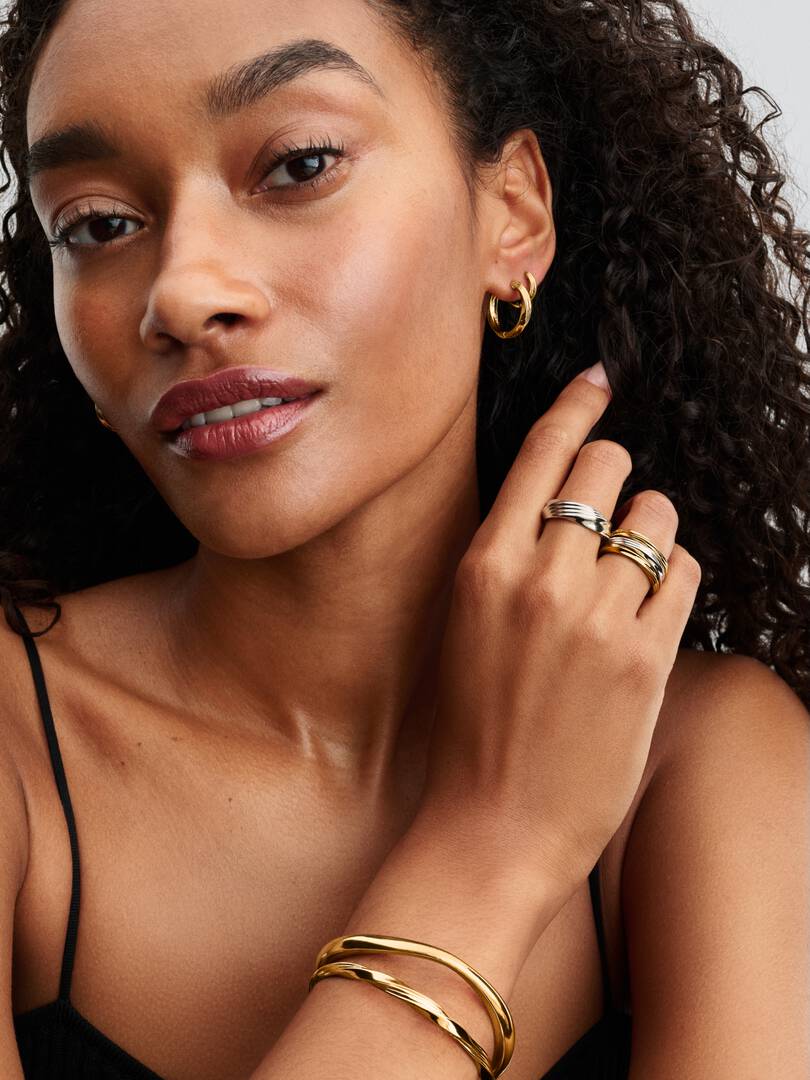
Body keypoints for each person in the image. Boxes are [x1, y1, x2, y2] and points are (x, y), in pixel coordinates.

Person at [0, 0, 807, 1077]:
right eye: (98, 225)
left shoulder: (703, 761)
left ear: (512, 213)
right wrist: (498, 843)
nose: (182, 294)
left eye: (299, 165)